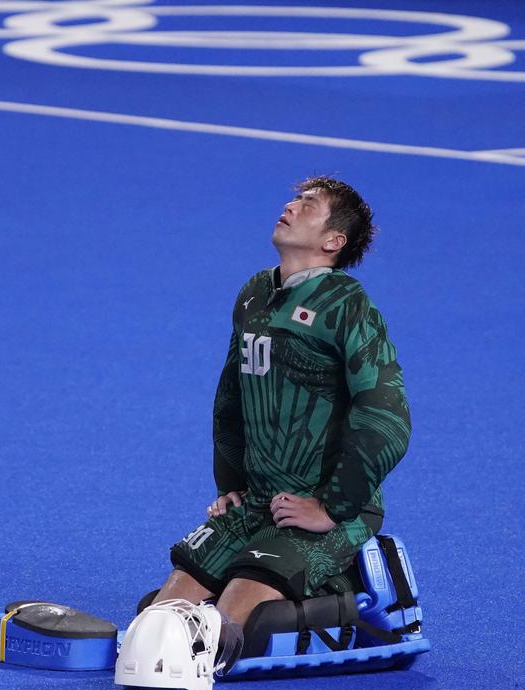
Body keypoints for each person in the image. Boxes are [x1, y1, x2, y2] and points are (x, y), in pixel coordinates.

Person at [152, 176, 411, 637]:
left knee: (220, 631)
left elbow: (386, 418)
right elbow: (230, 399)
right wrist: (232, 486)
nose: (290, 206)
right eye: (294, 199)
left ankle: (344, 583)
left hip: (326, 507)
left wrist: (332, 508)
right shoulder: (255, 292)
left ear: (333, 241)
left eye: (308, 204)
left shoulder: (347, 306)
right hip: (258, 503)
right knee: (158, 621)